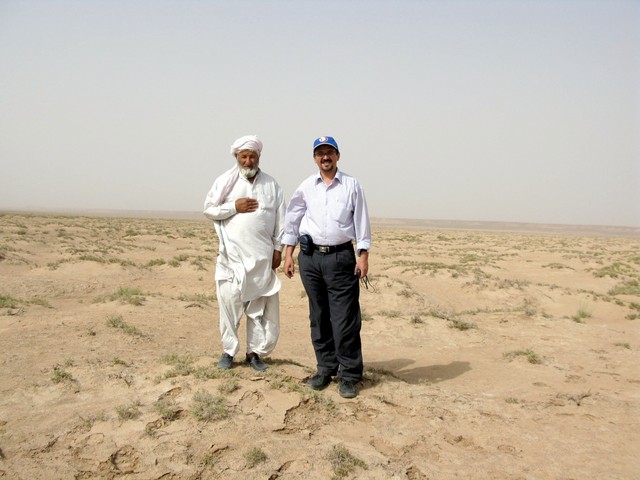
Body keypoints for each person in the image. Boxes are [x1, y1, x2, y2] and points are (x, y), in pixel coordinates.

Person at [282, 136, 371, 398]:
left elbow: (361, 221)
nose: (325, 157)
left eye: (329, 152)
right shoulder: (307, 186)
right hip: (310, 260)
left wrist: (362, 255)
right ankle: (325, 368)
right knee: (318, 316)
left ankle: (350, 374)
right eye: (320, 153)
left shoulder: (352, 185)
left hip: (341, 258)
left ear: (337, 156)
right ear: (314, 158)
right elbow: (293, 218)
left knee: (344, 319)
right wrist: (289, 253)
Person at [204, 135, 286, 372]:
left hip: (261, 258)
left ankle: (254, 353)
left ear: (259, 157)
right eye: (244, 157)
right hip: (232, 258)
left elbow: (281, 220)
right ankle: (228, 352)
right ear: (237, 158)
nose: (248, 161)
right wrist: (234, 207)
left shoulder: (272, 185)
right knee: (229, 305)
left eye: (252, 156)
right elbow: (209, 209)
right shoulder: (224, 182)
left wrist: (278, 249)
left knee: (257, 309)